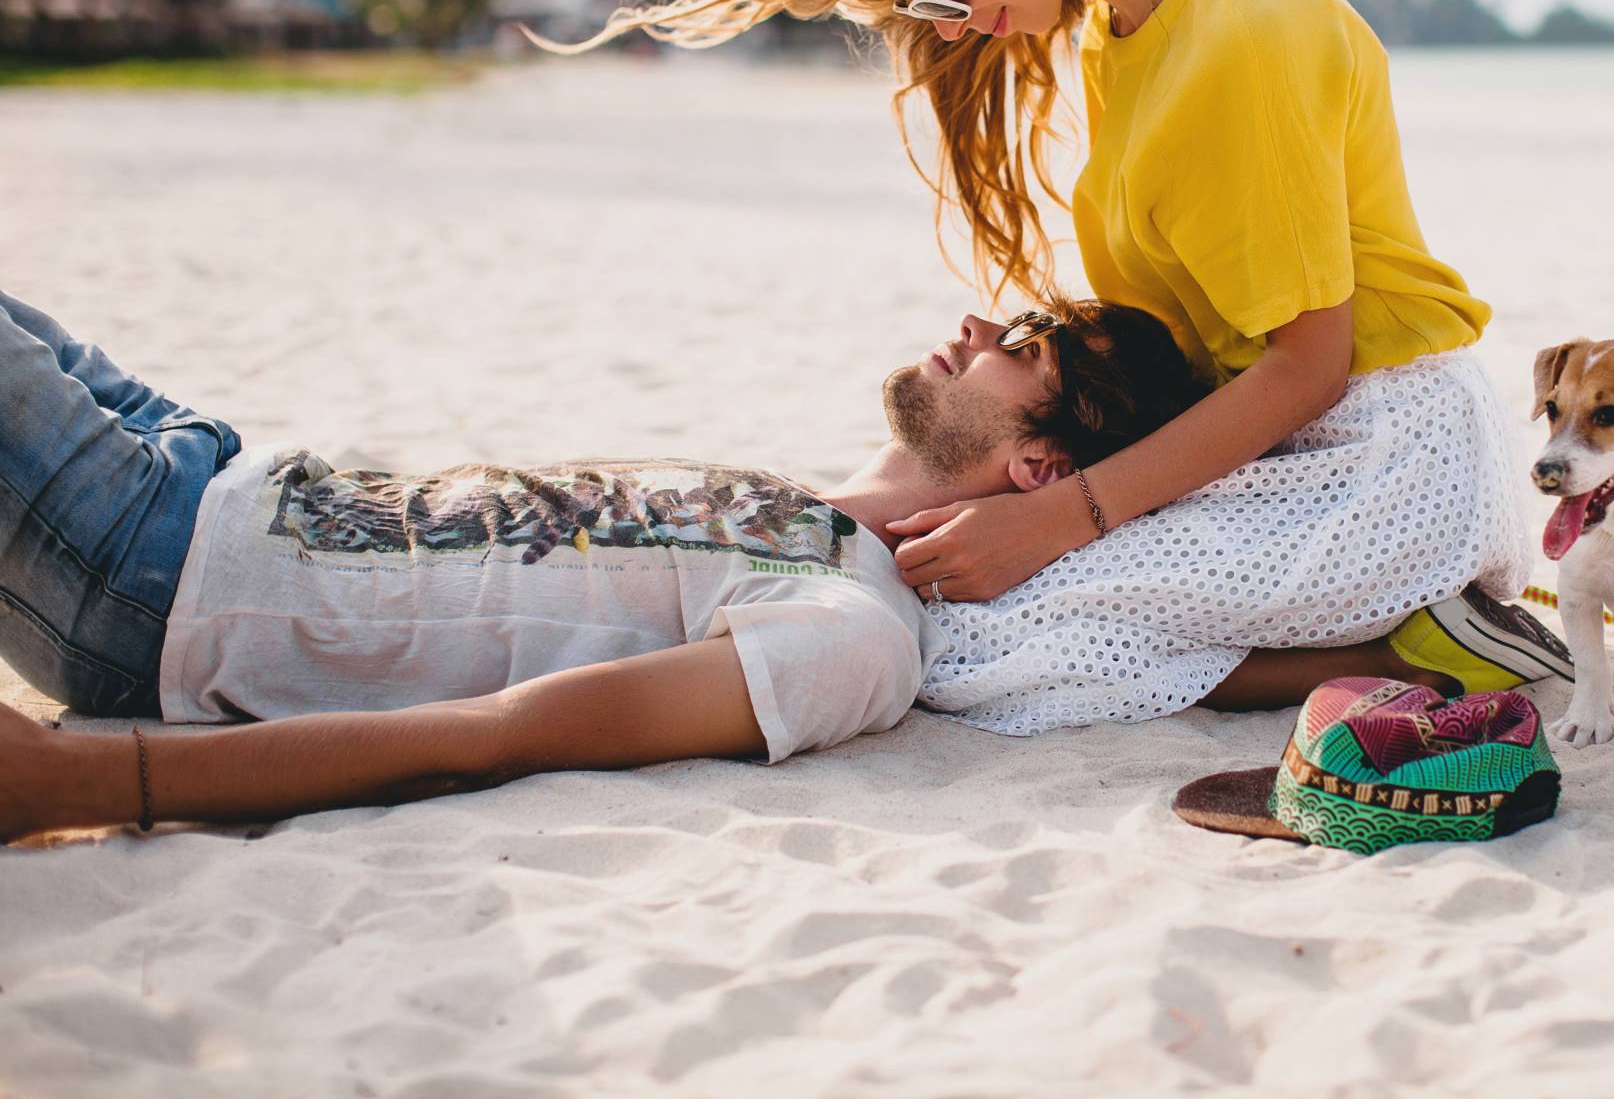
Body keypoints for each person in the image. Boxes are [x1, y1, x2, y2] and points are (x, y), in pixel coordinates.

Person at [538, 0, 1550, 736]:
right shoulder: (1126, 25)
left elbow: (1309, 365)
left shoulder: (1243, 22)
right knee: (967, 585)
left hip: (1388, 459)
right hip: (1292, 444)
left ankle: (1425, 648)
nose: (949, 28)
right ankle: (1393, 638)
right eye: (919, 9)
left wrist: (1066, 516)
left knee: (977, 631)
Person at [0, 290, 1468, 843]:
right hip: (214, 464)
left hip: (155, 578)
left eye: (1022, 346)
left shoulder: (853, 632)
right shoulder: (805, 510)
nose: (976, 324)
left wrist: (90, 781)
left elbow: (493, 739)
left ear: (1039, 467)